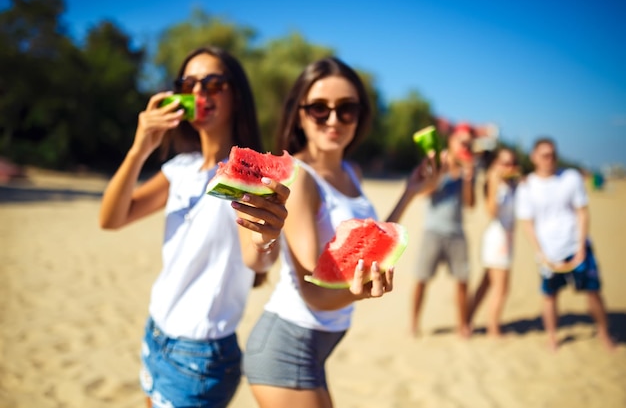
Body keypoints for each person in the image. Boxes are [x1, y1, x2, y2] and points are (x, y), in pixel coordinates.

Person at [242, 57, 441, 408]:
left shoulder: (352, 170)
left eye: (346, 108)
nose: (334, 119)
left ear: (360, 116)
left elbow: (373, 240)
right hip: (285, 347)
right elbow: (316, 293)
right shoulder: (299, 177)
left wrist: (410, 192)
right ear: (300, 114)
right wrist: (359, 293)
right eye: (319, 108)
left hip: (314, 351)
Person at [98, 46, 290, 408]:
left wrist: (266, 237)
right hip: (155, 332)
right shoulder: (180, 168)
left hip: (200, 354)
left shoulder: (247, 175)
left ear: (237, 95)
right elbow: (111, 219)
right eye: (189, 83)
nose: (200, 92)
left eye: (214, 83)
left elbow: (258, 261)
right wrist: (139, 149)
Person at [515, 137, 615, 351]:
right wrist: (540, 253)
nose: (549, 159)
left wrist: (581, 247)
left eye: (552, 154)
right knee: (549, 296)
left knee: (593, 291)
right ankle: (552, 337)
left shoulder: (571, 177)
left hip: (577, 246)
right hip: (548, 252)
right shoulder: (527, 186)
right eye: (544, 155)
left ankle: (604, 332)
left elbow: (582, 212)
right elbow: (527, 223)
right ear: (534, 158)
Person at [410, 122, 476, 338]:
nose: (465, 146)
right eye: (461, 141)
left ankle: (461, 325)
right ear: (451, 141)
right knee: (422, 278)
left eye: (468, 142)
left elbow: (470, 203)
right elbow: (423, 193)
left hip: (457, 232)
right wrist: (440, 169)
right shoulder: (438, 163)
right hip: (433, 231)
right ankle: (414, 324)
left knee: (462, 281)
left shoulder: (469, 169)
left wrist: (468, 178)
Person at [468, 147, 520, 337]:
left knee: (486, 283)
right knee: (502, 287)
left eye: (512, 162)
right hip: (498, 239)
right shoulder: (494, 183)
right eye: (505, 163)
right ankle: (493, 328)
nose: (510, 167)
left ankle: (467, 318)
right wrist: (494, 182)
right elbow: (491, 211)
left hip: (507, 237)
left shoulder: (513, 184)